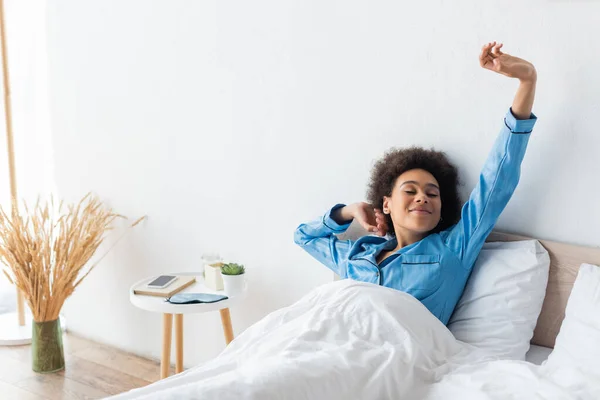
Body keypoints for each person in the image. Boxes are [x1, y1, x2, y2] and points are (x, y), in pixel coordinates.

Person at [294, 42, 538, 325]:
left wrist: (527, 79)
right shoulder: (358, 254)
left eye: (432, 194)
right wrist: (347, 212)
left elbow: (497, 180)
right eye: (410, 190)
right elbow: (304, 237)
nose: (422, 197)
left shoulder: (452, 247)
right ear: (386, 203)